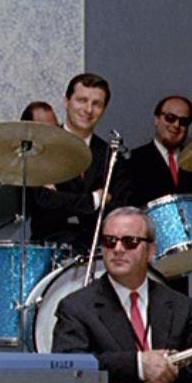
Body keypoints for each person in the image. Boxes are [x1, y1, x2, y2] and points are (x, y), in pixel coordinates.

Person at [52, 207, 192, 383]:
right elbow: (68, 366)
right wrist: (138, 365)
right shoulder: (75, 307)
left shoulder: (183, 307)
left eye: (130, 242)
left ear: (151, 251)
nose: (118, 249)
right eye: (110, 241)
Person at [30, 73, 129, 255]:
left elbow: (117, 213)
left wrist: (62, 199)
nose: (88, 109)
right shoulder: (42, 148)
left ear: (104, 109)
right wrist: (95, 200)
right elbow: (42, 203)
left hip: (97, 255)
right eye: (82, 100)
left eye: (96, 104)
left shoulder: (112, 156)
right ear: (66, 101)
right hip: (49, 253)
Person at [128, 95, 192, 208]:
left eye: (183, 121)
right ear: (156, 120)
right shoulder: (133, 161)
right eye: (170, 118)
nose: (176, 125)